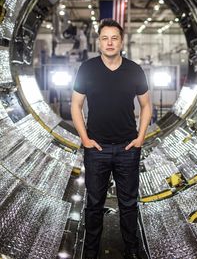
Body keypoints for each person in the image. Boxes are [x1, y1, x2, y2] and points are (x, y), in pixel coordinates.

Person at [71, 19, 152, 259]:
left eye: (114, 38)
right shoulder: (87, 68)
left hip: (128, 148)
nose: (109, 42)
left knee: (129, 205)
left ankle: (131, 251)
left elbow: (146, 106)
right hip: (96, 149)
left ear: (121, 41)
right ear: (99, 42)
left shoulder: (134, 69)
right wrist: (85, 139)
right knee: (94, 205)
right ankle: (91, 252)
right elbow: (76, 105)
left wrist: (140, 138)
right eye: (105, 38)